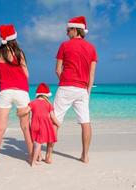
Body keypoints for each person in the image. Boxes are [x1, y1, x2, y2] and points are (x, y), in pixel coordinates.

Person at [53, 16, 98, 163]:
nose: (66, 33)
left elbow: (57, 70)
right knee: (85, 122)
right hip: (82, 89)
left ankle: (48, 153)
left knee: (55, 120)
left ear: (74, 29)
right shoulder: (91, 48)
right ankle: (85, 156)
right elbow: (91, 75)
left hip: (66, 86)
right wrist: (88, 91)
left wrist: (65, 82)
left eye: (68, 30)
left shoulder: (64, 45)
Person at [0, 24, 33, 165]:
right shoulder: (19, 52)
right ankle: (32, 157)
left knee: (0, 127)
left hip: (5, 91)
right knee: (26, 127)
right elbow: (26, 74)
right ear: (14, 36)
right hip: (21, 91)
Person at [17, 83, 60, 166]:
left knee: (36, 141)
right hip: (43, 126)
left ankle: (39, 157)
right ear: (47, 95)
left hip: (34, 125)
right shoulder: (48, 104)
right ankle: (33, 162)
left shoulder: (33, 103)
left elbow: (26, 111)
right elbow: (52, 117)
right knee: (38, 144)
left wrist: (19, 113)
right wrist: (58, 124)